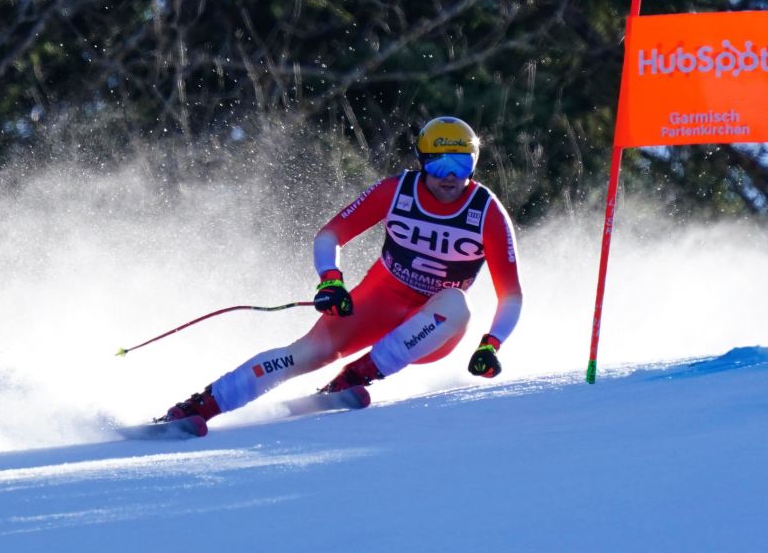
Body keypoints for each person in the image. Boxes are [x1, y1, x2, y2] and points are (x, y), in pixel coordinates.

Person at [160, 116, 523, 432]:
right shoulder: (397, 191)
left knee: (456, 303)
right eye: (439, 165)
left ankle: (355, 377)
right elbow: (330, 235)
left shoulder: (486, 211)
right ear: (421, 161)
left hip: (432, 329)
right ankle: (198, 407)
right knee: (304, 354)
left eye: (461, 164)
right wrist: (330, 279)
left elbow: (511, 294)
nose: (450, 177)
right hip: (379, 300)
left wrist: (491, 344)